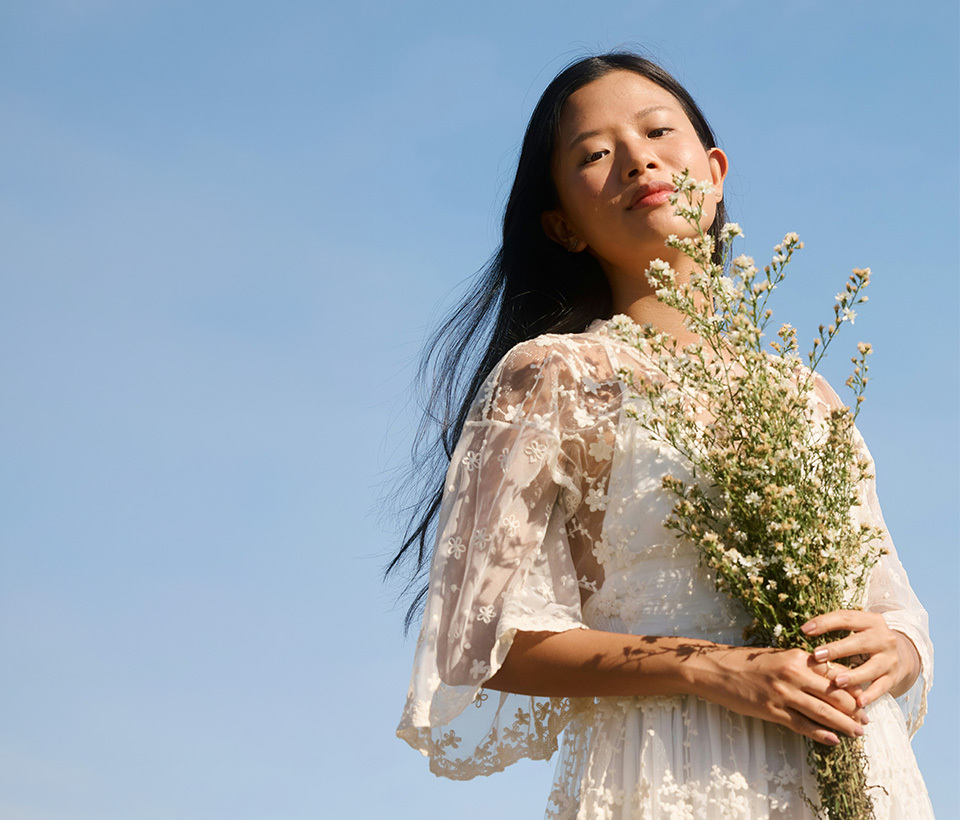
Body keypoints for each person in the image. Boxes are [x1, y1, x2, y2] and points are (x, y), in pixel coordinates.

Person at [390, 53, 933, 819]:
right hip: (671, 773)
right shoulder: (554, 378)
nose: (636, 159)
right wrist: (710, 669)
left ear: (711, 173)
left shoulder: (806, 395)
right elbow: (481, 639)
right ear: (561, 225)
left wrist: (898, 650)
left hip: (856, 766)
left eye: (655, 131)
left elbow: (895, 605)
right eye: (595, 155)